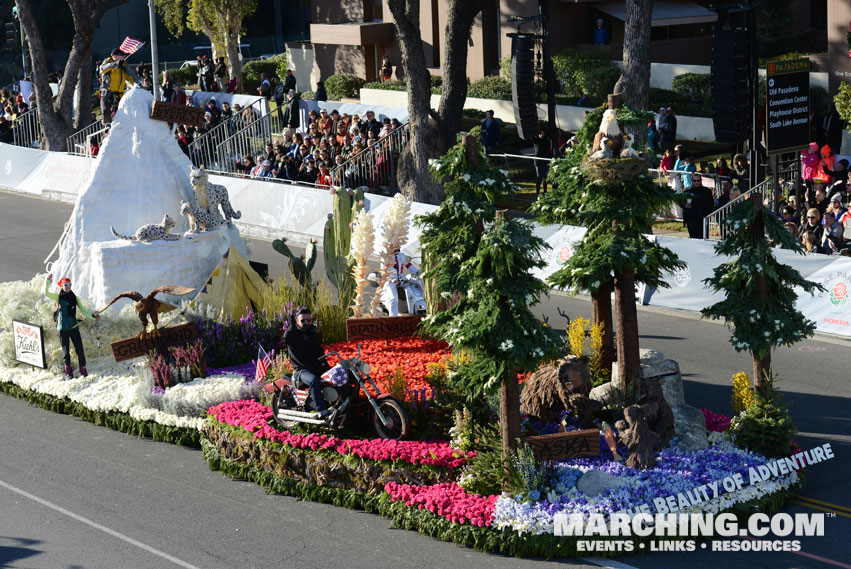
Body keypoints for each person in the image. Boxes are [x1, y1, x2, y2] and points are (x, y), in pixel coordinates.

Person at [44, 274, 99, 379]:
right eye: (66, 285)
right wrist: (48, 281)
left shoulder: (75, 298)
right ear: (62, 286)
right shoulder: (58, 297)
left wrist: (93, 317)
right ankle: (68, 371)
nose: (68, 287)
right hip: (63, 329)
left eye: (69, 284)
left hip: (74, 328)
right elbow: (46, 293)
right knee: (66, 352)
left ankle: (83, 369)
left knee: (80, 350)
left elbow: (83, 311)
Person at [283, 308, 332, 419]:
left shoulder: (313, 333)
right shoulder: (293, 334)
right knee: (313, 379)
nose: (306, 323)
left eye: (309, 320)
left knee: (334, 375)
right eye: (303, 321)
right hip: (301, 370)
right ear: (297, 322)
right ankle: (321, 411)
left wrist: (325, 364)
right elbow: (285, 339)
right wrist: (291, 327)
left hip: (315, 367)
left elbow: (319, 351)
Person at [99, 48, 135, 124]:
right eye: (122, 55)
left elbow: (131, 76)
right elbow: (102, 69)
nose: (124, 57)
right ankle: (107, 126)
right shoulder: (107, 61)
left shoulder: (123, 64)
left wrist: (137, 84)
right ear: (115, 56)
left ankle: (120, 125)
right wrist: (114, 64)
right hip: (107, 92)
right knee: (106, 110)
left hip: (119, 93)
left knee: (122, 111)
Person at [382, 248, 419, 316]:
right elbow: (384, 271)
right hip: (389, 281)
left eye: (398, 246)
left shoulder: (401, 256)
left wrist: (417, 272)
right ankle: (393, 318)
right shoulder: (385, 258)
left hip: (400, 278)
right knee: (393, 299)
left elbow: (408, 265)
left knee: (415, 290)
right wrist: (392, 279)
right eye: (395, 246)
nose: (398, 248)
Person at [683, 174, 714, 239]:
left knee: (703, 239)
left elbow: (711, 205)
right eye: (694, 181)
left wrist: (710, 216)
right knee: (693, 239)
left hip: (703, 219)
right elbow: (681, 202)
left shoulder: (707, 191)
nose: (696, 182)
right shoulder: (687, 191)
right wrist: (684, 205)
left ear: (701, 181)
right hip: (691, 219)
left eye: (698, 180)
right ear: (691, 181)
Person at [532, 130, 551, 196]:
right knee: (539, 177)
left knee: (545, 177)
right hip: (538, 161)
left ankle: (545, 190)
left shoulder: (546, 140)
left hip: (545, 160)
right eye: (540, 134)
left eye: (543, 133)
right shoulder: (536, 140)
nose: (542, 135)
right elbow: (532, 137)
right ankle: (538, 192)